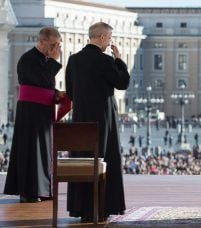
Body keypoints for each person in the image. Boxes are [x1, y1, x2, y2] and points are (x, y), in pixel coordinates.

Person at [65, 22, 130, 222]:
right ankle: (103, 207)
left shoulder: (73, 60)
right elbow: (122, 82)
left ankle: (81, 208)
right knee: (103, 159)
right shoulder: (105, 60)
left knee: (82, 160)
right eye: (109, 38)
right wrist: (119, 60)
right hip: (103, 121)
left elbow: (69, 92)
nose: (110, 42)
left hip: (80, 121)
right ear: (101, 37)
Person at [3, 27, 63, 203]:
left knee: (44, 151)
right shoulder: (27, 59)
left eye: (58, 45)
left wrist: (56, 93)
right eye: (53, 45)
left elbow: (45, 85)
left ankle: (43, 190)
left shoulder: (45, 59)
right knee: (31, 150)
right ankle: (28, 191)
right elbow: (38, 81)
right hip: (29, 113)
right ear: (42, 41)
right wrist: (53, 61)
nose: (55, 49)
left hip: (43, 111)